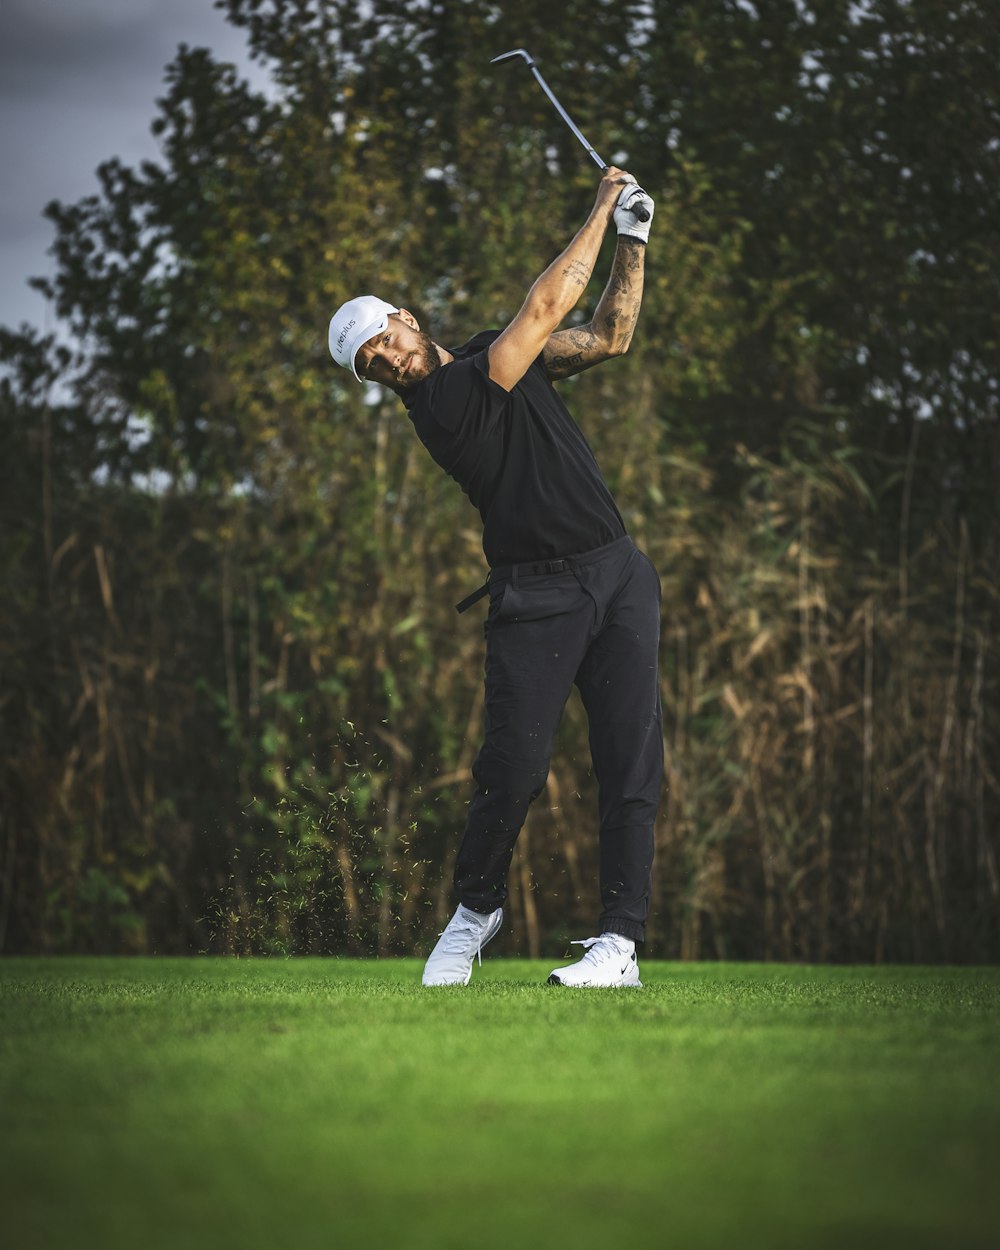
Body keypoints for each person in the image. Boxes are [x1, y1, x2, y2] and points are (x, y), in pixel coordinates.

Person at [328, 167, 662, 987]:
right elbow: (546, 307)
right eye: (370, 364)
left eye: (384, 339)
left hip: (617, 573)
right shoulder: (442, 406)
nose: (385, 360)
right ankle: (475, 910)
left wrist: (634, 238)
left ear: (406, 317)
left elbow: (609, 336)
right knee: (512, 769)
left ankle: (619, 945)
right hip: (535, 596)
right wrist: (600, 203)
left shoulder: (484, 353)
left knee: (630, 763)